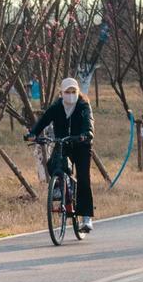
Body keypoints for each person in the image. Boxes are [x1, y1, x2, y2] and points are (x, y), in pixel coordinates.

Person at [24, 77, 95, 232]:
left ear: (78, 92)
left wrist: (87, 133)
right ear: (61, 93)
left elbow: (88, 122)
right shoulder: (56, 107)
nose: (70, 95)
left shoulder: (83, 105)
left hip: (81, 144)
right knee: (53, 164)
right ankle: (59, 187)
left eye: (73, 91)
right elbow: (43, 121)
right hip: (63, 142)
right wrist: (33, 133)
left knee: (83, 178)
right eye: (67, 92)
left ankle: (86, 218)